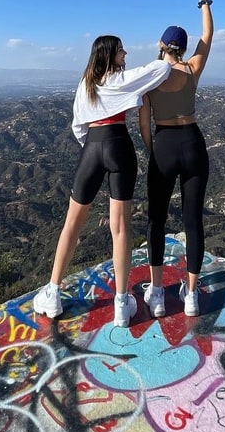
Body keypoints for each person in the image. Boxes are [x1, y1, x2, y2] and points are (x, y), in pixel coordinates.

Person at [33, 36, 171, 327]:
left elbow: (77, 126)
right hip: (120, 145)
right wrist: (163, 53)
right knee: (120, 228)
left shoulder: (86, 83)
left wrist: (93, 148)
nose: (125, 53)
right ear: (109, 54)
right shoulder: (123, 79)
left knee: (72, 223)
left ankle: (53, 293)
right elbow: (162, 71)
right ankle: (122, 303)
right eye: (121, 49)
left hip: (93, 146)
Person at [139, 0, 213, 318]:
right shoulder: (191, 68)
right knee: (192, 221)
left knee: (156, 219)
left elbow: (143, 122)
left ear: (160, 44)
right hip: (193, 142)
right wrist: (204, 2)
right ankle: (192, 295)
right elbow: (208, 37)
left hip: (165, 144)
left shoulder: (149, 77)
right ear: (181, 47)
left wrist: (153, 149)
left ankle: (156, 293)